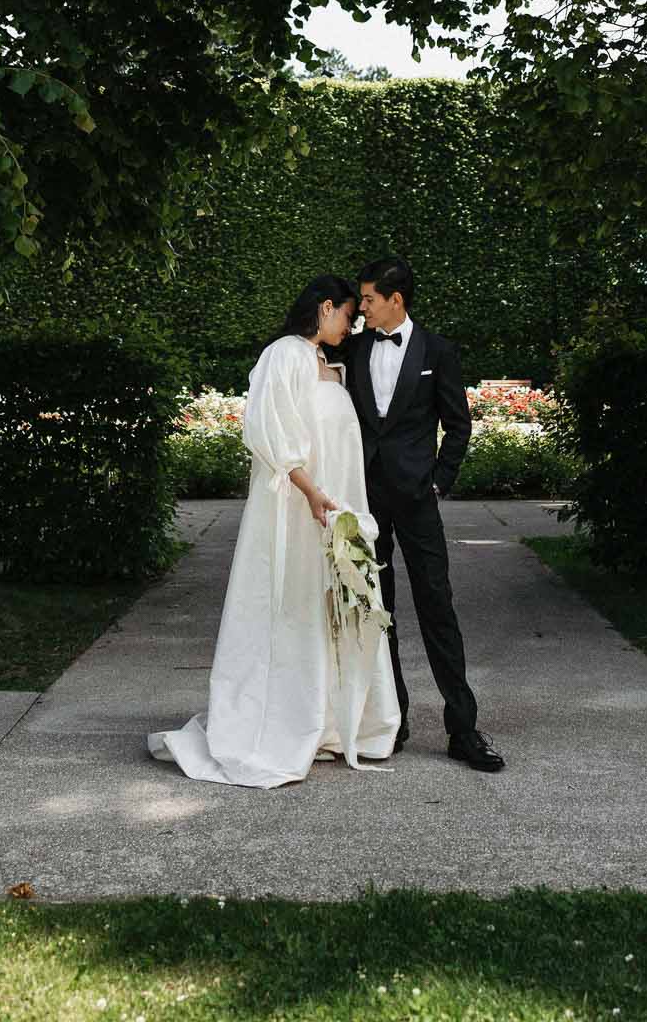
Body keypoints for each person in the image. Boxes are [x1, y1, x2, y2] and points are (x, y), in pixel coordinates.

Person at [147, 274, 403, 787]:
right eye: (347, 313)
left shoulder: (331, 365)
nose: (351, 324)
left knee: (327, 607)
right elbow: (267, 428)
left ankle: (332, 720)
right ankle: (286, 719)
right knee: (292, 606)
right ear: (325, 307)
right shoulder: (284, 354)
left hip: (334, 508)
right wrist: (310, 492)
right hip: (298, 508)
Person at [326, 256, 505, 771]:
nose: (361, 307)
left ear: (394, 300)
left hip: (418, 499)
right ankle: (392, 719)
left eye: (368, 299)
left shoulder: (437, 350)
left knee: (437, 608)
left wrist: (438, 481)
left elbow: (459, 423)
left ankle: (463, 729)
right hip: (366, 500)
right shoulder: (355, 347)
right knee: (377, 611)